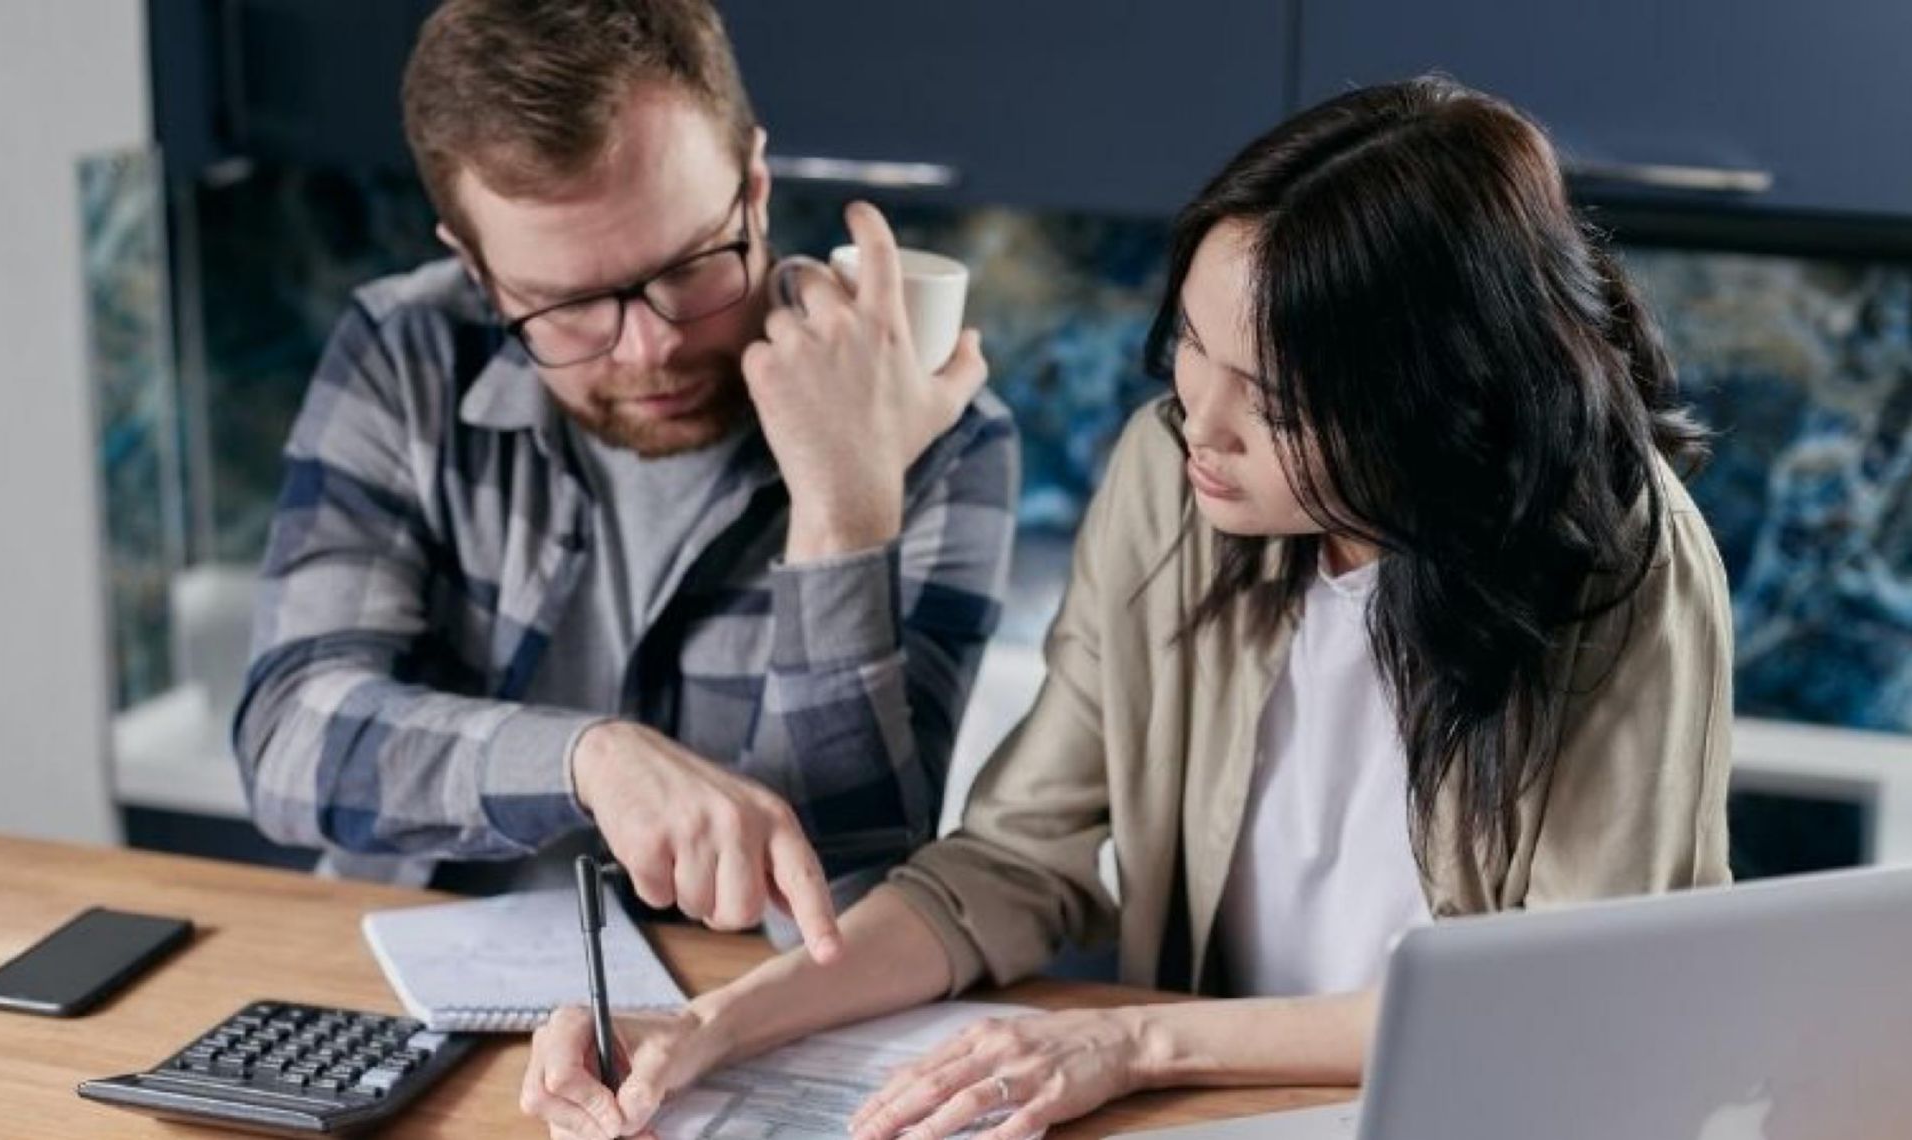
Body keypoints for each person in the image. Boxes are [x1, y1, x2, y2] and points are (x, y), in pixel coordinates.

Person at [518, 76, 1735, 1140]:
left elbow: (1563, 1007)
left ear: (1434, 401)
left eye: (1273, 402)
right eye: (1190, 348)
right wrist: (709, 1026)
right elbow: (1006, 864)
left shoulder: (1624, 569)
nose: (1196, 424)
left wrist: (1141, 1045)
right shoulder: (1173, 482)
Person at [231, 0, 1020, 960]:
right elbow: (287, 741)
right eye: (564, 304)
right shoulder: (407, 354)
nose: (652, 348)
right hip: (411, 978)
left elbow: (854, 907)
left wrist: (841, 514)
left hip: (736, 1021)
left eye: (690, 267)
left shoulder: (941, 432)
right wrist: (588, 761)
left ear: (756, 186)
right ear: (475, 271)